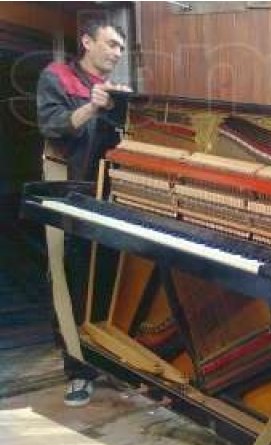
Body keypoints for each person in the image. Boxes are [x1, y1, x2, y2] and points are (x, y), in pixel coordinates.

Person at [37, 18, 131, 407]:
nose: (117, 53)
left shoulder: (114, 91)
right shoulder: (56, 76)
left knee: (108, 279)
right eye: (110, 44)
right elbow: (53, 125)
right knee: (68, 277)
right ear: (87, 42)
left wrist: (124, 107)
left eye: (121, 48)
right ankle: (77, 371)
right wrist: (92, 106)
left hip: (107, 195)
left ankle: (108, 360)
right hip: (66, 189)